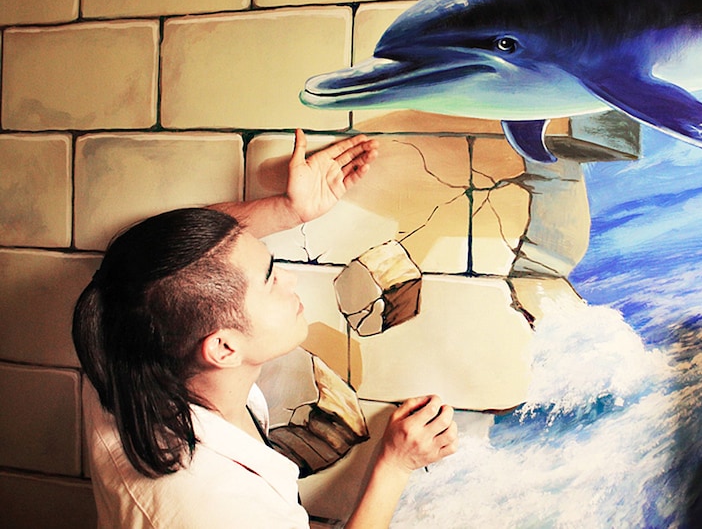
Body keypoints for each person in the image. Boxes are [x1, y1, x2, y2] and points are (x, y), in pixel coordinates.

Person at [73, 129, 458, 528]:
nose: (290, 279)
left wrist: (287, 210)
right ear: (224, 349)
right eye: (270, 278)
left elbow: (159, 259)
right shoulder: (220, 510)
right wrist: (395, 464)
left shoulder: (122, 345)